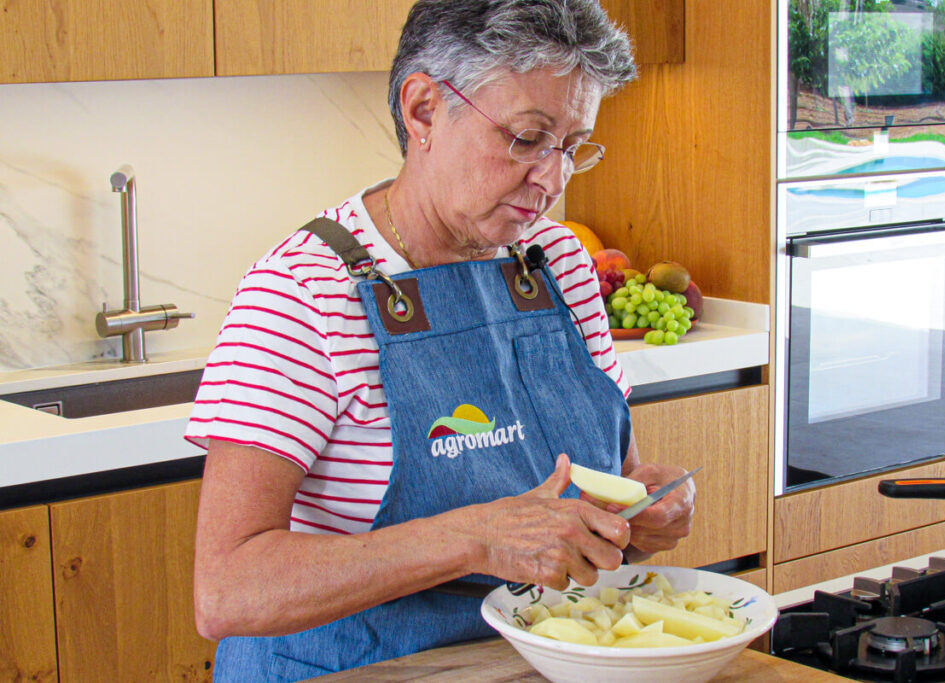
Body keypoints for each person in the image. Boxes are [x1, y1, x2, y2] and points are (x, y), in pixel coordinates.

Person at [187, 1, 697, 679]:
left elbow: (610, 487)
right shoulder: (303, 292)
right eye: (526, 138)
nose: (552, 180)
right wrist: (473, 538)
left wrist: (643, 509)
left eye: (573, 147)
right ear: (423, 109)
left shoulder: (558, 265)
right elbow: (226, 590)